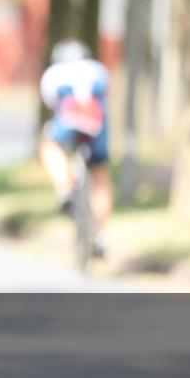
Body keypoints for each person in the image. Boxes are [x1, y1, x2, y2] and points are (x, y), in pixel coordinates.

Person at [38, 39, 112, 257]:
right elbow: (106, 96)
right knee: (100, 177)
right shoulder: (99, 70)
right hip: (97, 122)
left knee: (49, 145)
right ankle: (100, 235)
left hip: (70, 118)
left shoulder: (53, 73)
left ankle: (65, 188)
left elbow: (53, 105)